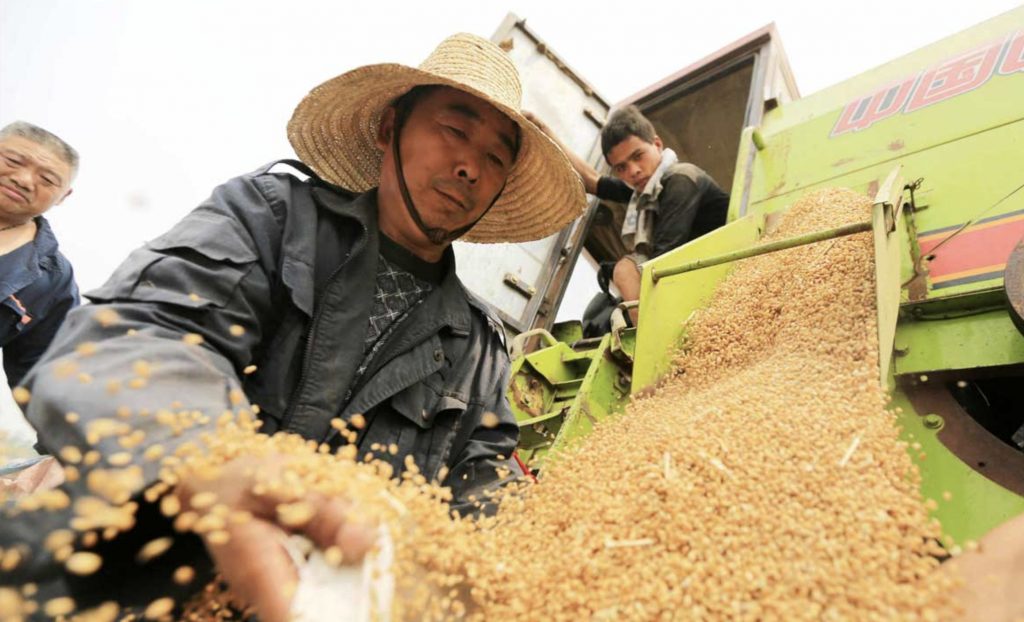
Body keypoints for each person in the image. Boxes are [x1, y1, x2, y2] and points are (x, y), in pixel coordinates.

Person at [0, 34, 585, 619]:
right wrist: (208, 458)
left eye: (495, 158)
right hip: (147, 578)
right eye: (454, 130)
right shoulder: (273, 217)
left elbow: (483, 478)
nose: (469, 167)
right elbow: (139, 334)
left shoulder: (478, 345)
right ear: (389, 128)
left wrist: (526, 565)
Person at [528, 106, 729, 324]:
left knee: (625, 270)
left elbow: (661, 263)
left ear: (657, 144)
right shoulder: (645, 191)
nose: (633, 171)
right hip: (701, 275)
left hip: (725, 271)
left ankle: (652, 335)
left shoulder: (681, 180)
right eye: (621, 168)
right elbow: (591, 181)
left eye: (638, 156)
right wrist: (542, 130)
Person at [0, 121, 79, 389]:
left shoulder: (53, 281)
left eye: (47, 179)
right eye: (12, 161)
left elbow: (46, 379)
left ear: (63, 196)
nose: (23, 180)